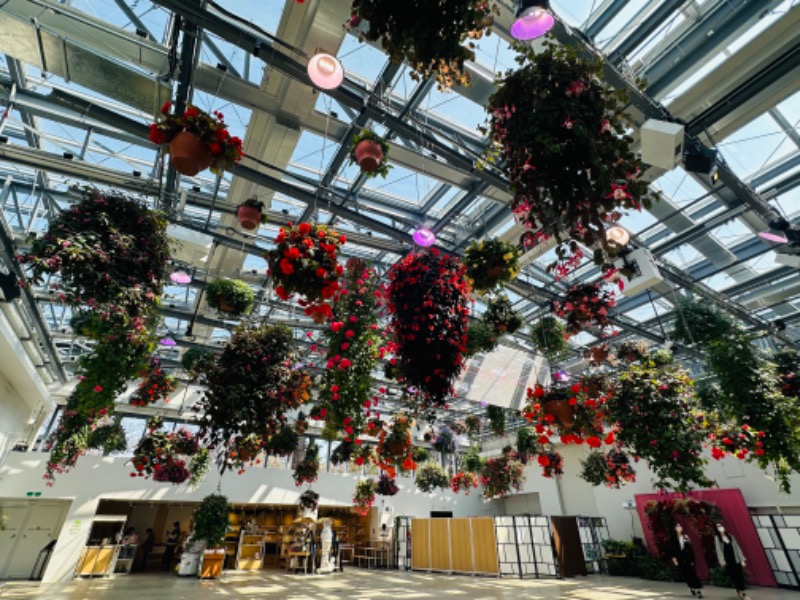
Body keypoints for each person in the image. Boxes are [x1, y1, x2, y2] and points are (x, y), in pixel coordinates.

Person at [714, 523, 750, 600]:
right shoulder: (717, 538)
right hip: (728, 560)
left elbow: (737, 548)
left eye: (720, 526)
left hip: (735, 559)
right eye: (718, 527)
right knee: (734, 577)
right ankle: (738, 591)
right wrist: (722, 561)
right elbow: (719, 550)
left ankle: (743, 593)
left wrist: (742, 560)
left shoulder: (730, 536)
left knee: (739, 575)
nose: (720, 527)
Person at [671, 523, 703, 598]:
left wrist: (692, 559)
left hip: (688, 558)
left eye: (680, 526)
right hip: (680, 559)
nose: (679, 528)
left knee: (693, 573)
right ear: (675, 528)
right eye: (677, 526)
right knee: (686, 574)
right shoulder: (673, 538)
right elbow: (672, 549)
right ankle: (692, 587)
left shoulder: (685, 537)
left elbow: (690, 549)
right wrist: (674, 558)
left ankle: (698, 589)